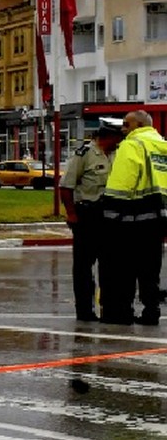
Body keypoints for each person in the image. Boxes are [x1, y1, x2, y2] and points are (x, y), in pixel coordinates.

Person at [98, 110, 167, 326]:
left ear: (138, 125)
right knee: (151, 267)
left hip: (133, 215)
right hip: (159, 216)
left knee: (124, 267)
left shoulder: (132, 145)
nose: (123, 129)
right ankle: (151, 311)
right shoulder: (162, 145)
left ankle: (122, 312)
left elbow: (123, 182)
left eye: (126, 125)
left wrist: (109, 213)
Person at [59, 117, 124, 321]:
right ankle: (85, 310)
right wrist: (71, 213)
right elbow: (66, 186)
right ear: (107, 136)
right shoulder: (85, 154)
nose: (120, 141)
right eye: (117, 137)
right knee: (83, 267)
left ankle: (109, 309)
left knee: (110, 265)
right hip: (87, 215)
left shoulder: (118, 154)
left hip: (110, 216)